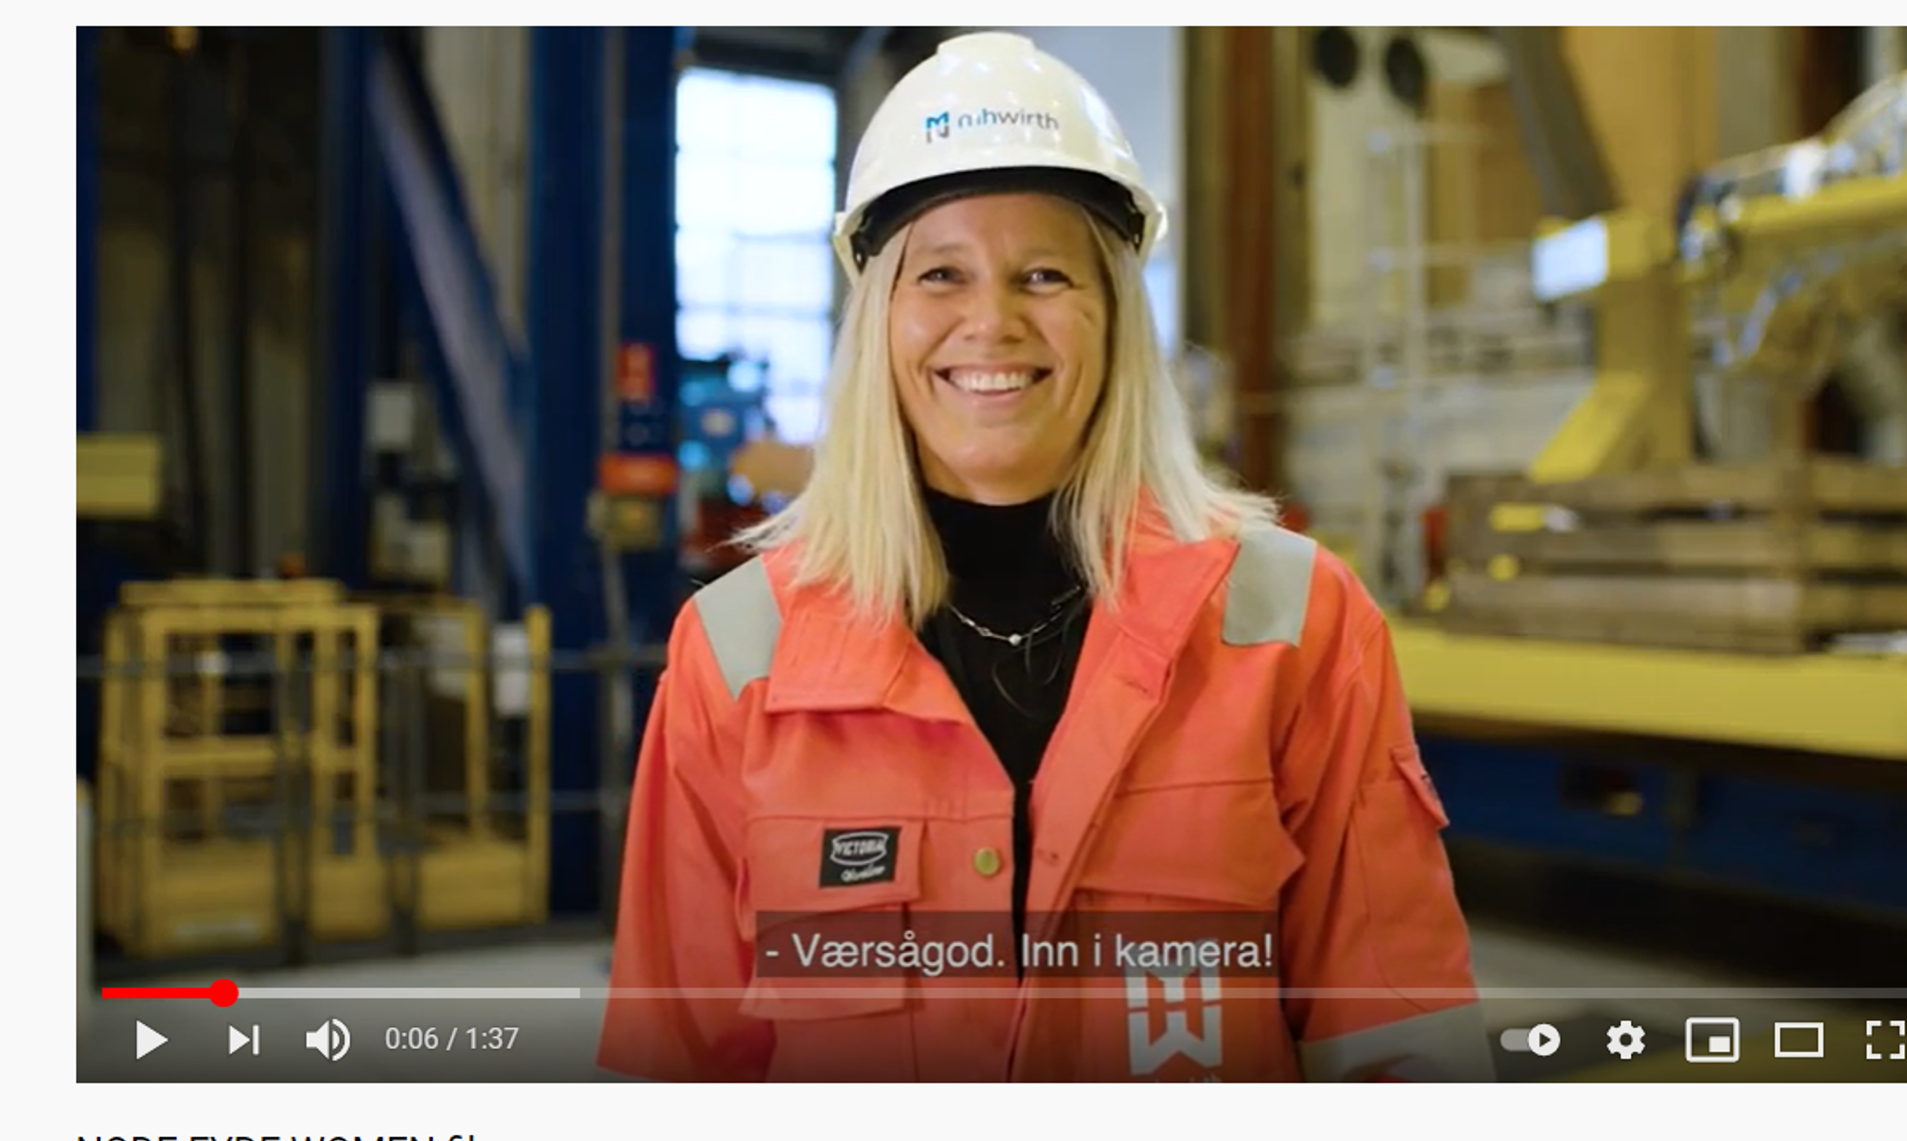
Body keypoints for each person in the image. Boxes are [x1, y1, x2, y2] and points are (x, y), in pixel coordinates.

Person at [597, 31, 1491, 1083]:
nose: (992, 322)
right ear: (878, 318)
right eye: (941, 273)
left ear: (1113, 317)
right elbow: (679, 1078)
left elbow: (1398, 1050)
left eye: (1043, 274)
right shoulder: (738, 650)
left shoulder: (1293, 623)